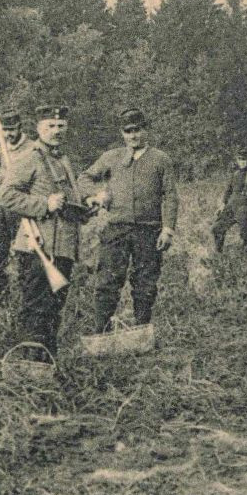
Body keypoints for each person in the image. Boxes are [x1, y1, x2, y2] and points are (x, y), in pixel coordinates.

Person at [0, 104, 88, 361]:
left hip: (63, 249)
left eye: (61, 126)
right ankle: (30, 367)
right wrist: (43, 205)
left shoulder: (63, 159)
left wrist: (87, 202)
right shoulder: (30, 157)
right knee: (35, 310)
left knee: (53, 311)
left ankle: (47, 364)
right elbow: (5, 196)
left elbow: (69, 199)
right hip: (37, 247)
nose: (56, 131)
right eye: (50, 126)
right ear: (38, 128)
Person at [82, 107, 179, 332]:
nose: (133, 136)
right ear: (122, 133)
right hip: (116, 229)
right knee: (107, 280)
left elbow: (170, 196)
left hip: (149, 230)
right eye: (128, 131)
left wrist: (168, 229)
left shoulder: (160, 159)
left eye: (138, 130)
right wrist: (96, 195)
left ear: (146, 130)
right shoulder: (111, 157)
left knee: (145, 282)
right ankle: (102, 330)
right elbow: (84, 177)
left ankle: (142, 328)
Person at [0, 109, 30, 293]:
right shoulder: (0, 150)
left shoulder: (32, 149)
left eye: (12, 129)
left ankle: (23, 299)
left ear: (20, 127)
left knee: (24, 259)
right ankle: (1, 299)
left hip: (21, 210)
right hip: (0, 209)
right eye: (5, 130)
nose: (9, 134)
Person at [212, 149, 247, 253]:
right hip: (231, 205)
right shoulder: (235, 174)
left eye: (244, 160)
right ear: (237, 161)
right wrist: (222, 204)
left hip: (243, 206)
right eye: (240, 160)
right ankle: (218, 254)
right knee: (217, 228)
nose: (242, 162)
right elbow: (228, 190)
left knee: (245, 234)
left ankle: (246, 257)